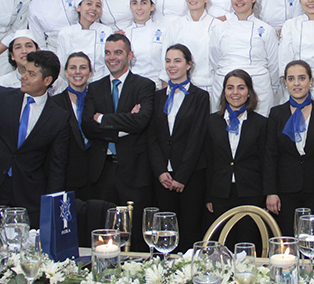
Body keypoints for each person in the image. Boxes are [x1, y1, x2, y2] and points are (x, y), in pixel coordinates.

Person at [0, 51, 70, 226]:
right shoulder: (1, 97)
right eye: (24, 71)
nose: (23, 77)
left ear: (47, 81)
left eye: (31, 74)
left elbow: (57, 167)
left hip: (29, 197)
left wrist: (52, 206)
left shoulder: (59, 117)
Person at [81, 34, 154, 251]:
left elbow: (141, 121)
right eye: (107, 52)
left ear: (130, 56)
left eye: (118, 52)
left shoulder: (144, 85)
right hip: (101, 171)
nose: (112, 57)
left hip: (134, 171)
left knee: (135, 234)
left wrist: (103, 119)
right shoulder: (94, 88)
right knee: (104, 232)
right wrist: (124, 126)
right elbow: (87, 126)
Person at [147, 44, 209, 252]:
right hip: (163, 176)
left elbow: (197, 138)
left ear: (189, 64)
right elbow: (152, 136)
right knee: (164, 232)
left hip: (190, 175)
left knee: (190, 228)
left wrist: (182, 176)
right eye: (168, 61)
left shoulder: (201, 97)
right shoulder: (156, 96)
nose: (171, 65)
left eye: (177, 60)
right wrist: (160, 171)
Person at [265, 61, 314, 236]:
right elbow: (270, 155)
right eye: (291, 79)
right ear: (285, 83)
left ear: (310, 81)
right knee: (287, 243)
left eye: (302, 78)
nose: (296, 83)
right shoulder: (276, 114)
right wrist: (271, 192)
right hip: (285, 191)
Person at [204, 70, 268, 248]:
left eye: (241, 87)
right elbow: (208, 161)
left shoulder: (261, 123)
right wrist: (208, 195)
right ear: (224, 92)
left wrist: (265, 195)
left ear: (249, 91)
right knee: (222, 246)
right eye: (230, 88)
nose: (235, 92)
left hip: (251, 193)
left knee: (247, 246)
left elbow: (266, 162)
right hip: (220, 193)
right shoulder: (211, 122)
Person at [210, 0, 280, 114]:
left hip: (259, 88)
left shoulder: (266, 30)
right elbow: (213, 61)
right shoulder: (219, 29)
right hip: (225, 85)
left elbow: (274, 65)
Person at [165, 0, 221, 110]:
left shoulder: (217, 26)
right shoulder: (175, 26)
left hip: (210, 88)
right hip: (179, 88)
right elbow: (164, 64)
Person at [51, 53, 95, 197]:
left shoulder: (99, 100)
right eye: (72, 68)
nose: (77, 72)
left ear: (90, 73)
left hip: (96, 177)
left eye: (83, 68)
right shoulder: (54, 104)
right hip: (66, 176)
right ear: (65, 72)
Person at [56, 0, 112, 81]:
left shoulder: (106, 31)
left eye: (98, 6)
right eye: (89, 4)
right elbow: (61, 64)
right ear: (78, 7)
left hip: (99, 82)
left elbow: (108, 63)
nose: (93, 8)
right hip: (73, 83)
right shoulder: (65, 33)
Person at [123, 0, 168, 87]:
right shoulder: (124, 34)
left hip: (156, 86)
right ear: (130, 7)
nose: (139, 8)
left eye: (144, 3)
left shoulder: (163, 31)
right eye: (134, 3)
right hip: (131, 87)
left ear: (152, 6)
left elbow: (166, 65)